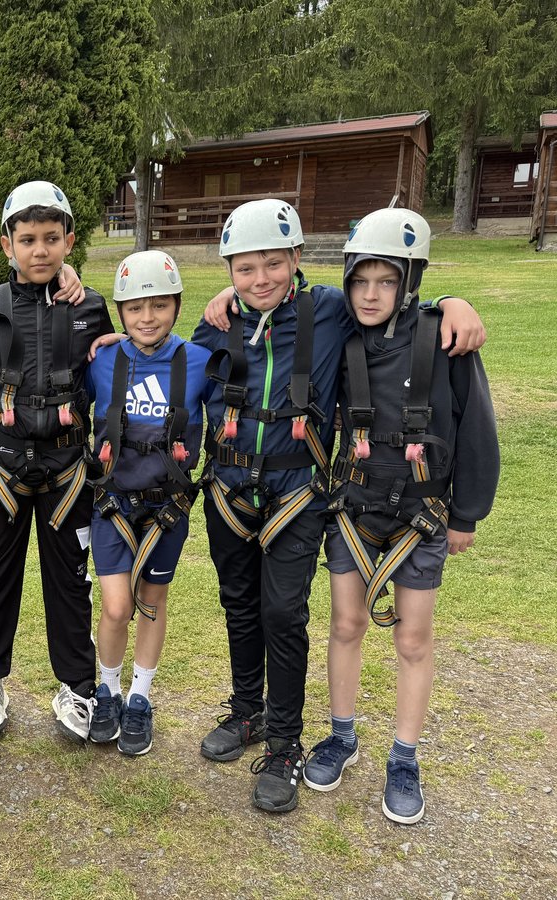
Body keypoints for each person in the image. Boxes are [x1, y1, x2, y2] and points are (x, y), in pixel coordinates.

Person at [193, 199, 486, 814]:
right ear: (228, 270)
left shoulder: (328, 310)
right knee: (239, 604)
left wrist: (453, 303)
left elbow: (401, 305)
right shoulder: (218, 322)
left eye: (274, 264)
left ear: (298, 258)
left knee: (283, 613)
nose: (261, 279)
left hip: (298, 493)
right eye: (244, 269)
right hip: (229, 488)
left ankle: (284, 744)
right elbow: (175, 366)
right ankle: (246, 710)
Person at [302, 209, 498, 824]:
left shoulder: (445, 340)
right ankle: (341, 734)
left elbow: (476, 428)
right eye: (360, 281)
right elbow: (284, 305)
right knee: (345, 623)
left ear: (410, 282)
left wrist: (466, 514)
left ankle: (405, 758)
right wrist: (227, 297)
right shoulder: (343, 337)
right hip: (355, 507)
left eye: (386, 281)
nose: (369, 294)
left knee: (413, 638)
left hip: (423, 511)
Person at [0, 180, 114, 742]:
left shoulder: (89, 307)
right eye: (27, 240)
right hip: (0, 467)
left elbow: (120, 364)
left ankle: (78, 687)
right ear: (8, 245)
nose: (40, 250)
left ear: (69, 241)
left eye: (52, 238)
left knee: (71, 581)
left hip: (67, 469)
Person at [84, 251, 211, 756]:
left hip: (166, 507)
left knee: (152, 602)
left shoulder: (199, 361)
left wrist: (227, 294)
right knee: (117, 606)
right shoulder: (102, 360)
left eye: (160, 305)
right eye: (135, 308)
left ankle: (140, 698)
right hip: (113, 502)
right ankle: (107, 690)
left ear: (177, 304)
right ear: (120, 312)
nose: (148, 317)